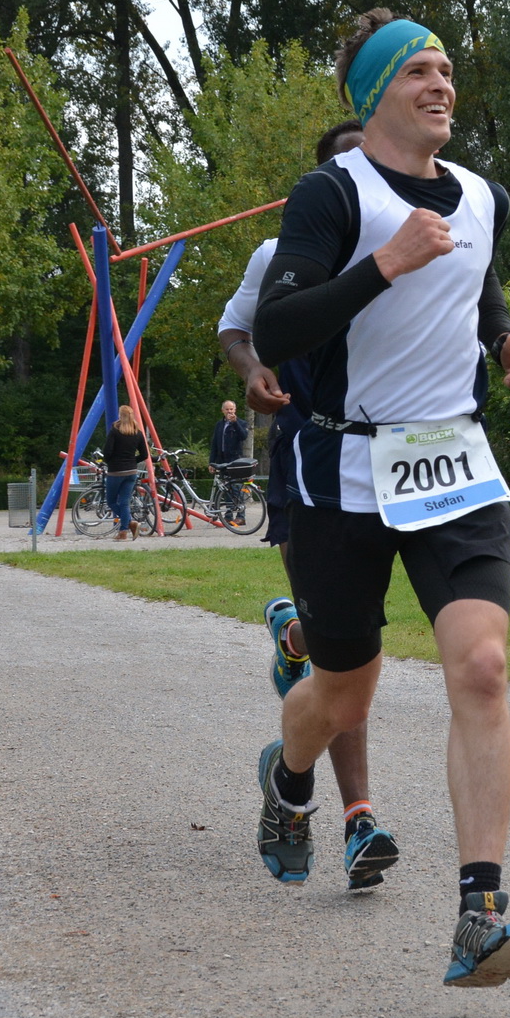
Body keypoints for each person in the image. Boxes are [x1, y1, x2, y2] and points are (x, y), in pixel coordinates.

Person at [252, 8, 510, 988]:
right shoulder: (331, 194)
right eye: (419, 70)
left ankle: (480, 914)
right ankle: (290, 777)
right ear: (376, 91)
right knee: (343, 691)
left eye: (448, 70)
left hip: (452, 465)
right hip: (343, 471)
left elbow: (478, 291)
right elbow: (280, 327)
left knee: (483, 668)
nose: (441, 85)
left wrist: (508, 350)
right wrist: (383, 263)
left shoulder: (477, 196)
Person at [218, 118, 405, 890]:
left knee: (345, 639)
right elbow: (235, 329)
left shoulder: (416, 243)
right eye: (346, 163)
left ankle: (293, 631)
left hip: (392, 460)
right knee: (343, 648)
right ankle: (359, 815)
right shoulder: (280, 253)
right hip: (306, 452)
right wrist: (254, 371)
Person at [101, 406, 147, 540]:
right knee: (124, 502)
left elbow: (107, 452)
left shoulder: (115, 431)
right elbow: (144, 454)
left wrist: (109, 462)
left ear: (121, 416)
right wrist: (133, 460)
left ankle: (129, 523)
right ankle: (124, 531)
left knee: (111, 501)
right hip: (132, 471)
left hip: (116, 471)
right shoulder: (138, 432)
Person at [208, 400, 248, 472]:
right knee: (222, 482)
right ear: (222, 410)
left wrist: (235, 423)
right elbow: (214, 444)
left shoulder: (242, 423)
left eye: (231, 409)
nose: (229, 411)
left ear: (235, 410)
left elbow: (243, 436)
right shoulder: (219, 425)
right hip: (221, 460)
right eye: (227, 409)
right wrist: (211, 463)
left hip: (234, 459)